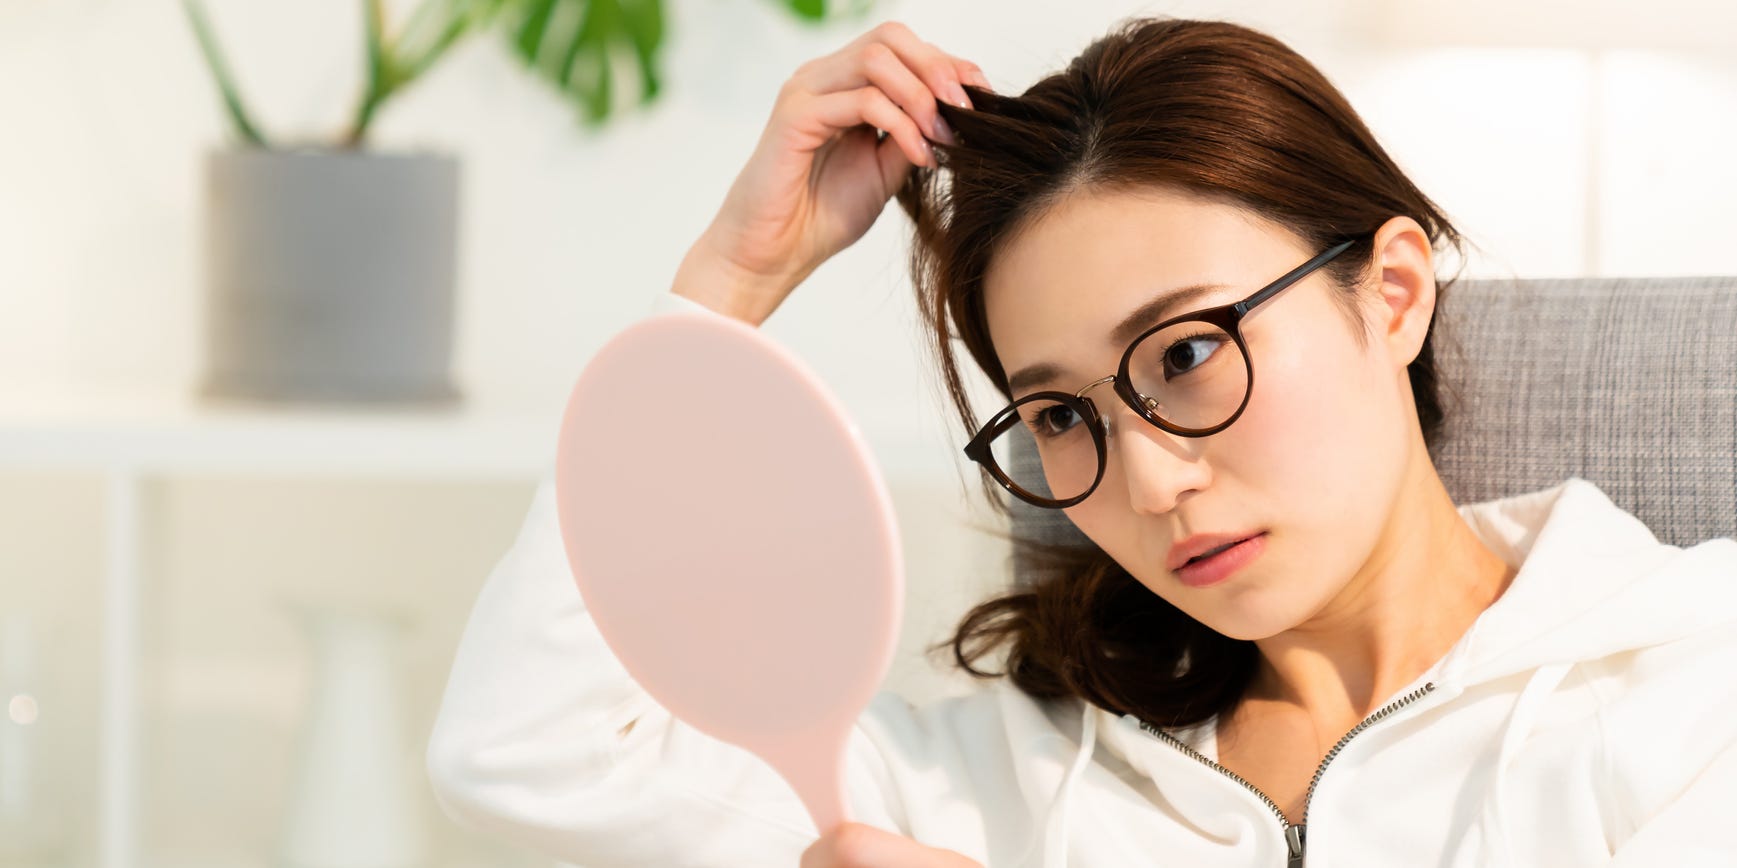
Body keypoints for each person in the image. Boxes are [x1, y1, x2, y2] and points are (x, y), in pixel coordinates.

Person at [425, 16, 1737, 867]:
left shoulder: (1689, 690)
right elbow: (529, 751)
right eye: (1060, 416)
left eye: (1185, 353)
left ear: (1389, 293)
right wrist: (726, 289)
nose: (1152, 480)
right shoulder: (994, 775)